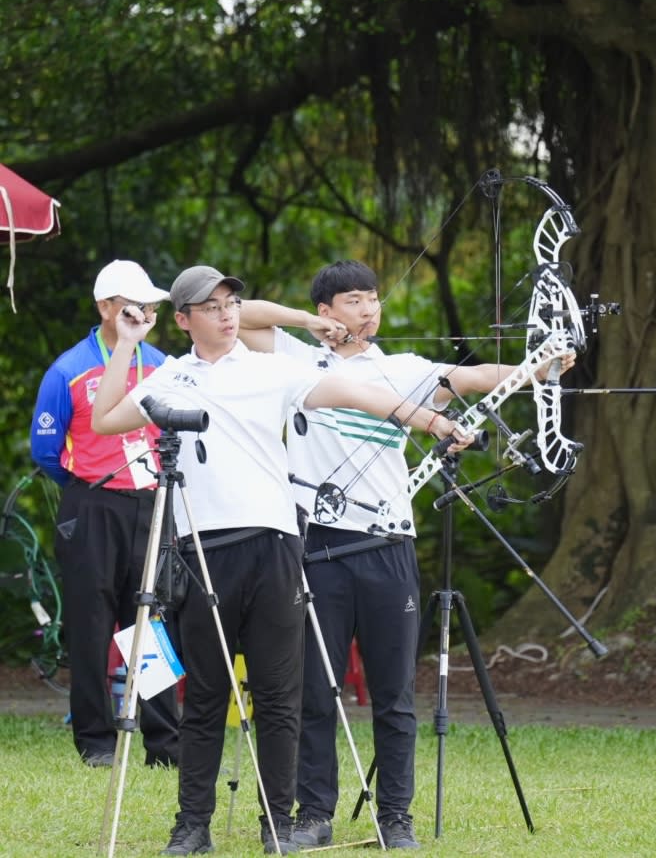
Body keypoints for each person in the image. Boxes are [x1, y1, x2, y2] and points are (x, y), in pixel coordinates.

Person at [91, 264, 470, 856]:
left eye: (231, 303)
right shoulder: (168, 377)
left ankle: (277, 824)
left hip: (273, 549)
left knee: (277, 696)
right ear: (185, 320)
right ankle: (193, 825)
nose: (226, 313)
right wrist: (129, 345)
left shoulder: (272, 370)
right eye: (210, 307)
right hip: (199, 551)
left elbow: (354, 392)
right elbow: (104, 419)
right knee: (208, 696)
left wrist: (429, 419)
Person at [238, 259, 575, 850]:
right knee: (316, 688)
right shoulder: (291, 359)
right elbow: (238, 316)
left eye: (373, 299)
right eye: (353, 301)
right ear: (326, 311)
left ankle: (396, 817)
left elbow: (475, 380)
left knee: (394, 694)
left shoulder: (403, 369)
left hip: (389, 545)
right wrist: (306, 326)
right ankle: (313, 815)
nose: (369, 310)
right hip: (315, 543)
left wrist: (539, 365)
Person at [30, 259, 180, 769]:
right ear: (105, 307)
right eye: (133, 303)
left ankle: (164, 742)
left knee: (150, 620)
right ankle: (96, 741)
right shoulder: (68, 369)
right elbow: (46, 450)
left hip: (150, 501)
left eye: (150, 303)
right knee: (91, 625)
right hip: (91, 502)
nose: (144, 311)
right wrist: (91, 483)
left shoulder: (161, 364)